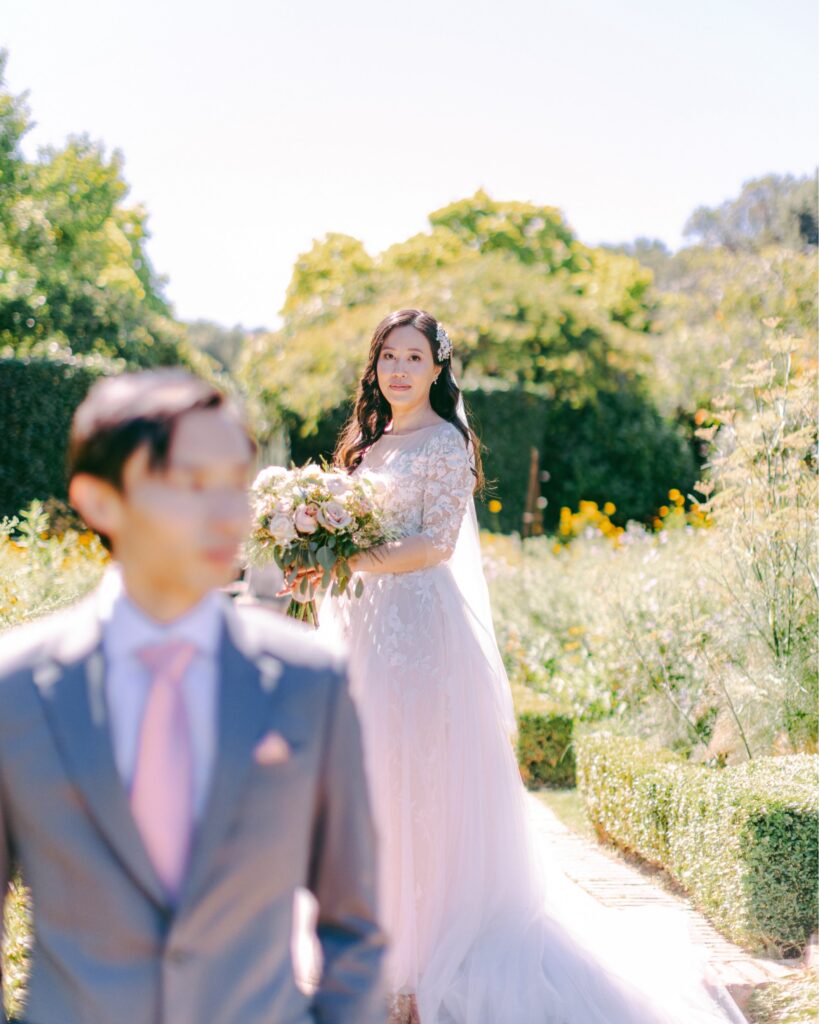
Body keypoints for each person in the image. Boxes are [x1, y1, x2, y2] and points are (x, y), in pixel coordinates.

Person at [308, 308, 746, 1024]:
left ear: (437, 368)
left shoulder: (446, 443)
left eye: (413, 358)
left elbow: (437, 543)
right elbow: (348, 530)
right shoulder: (367, 445)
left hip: (419, 635)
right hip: (363, 630)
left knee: (420, 788)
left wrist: (350, 558)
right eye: (388, 356)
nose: (398, 370)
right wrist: (314, 560)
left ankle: (420, 968)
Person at [0, 370, 387, 1024]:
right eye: (191, 483)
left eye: (236, 483)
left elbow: (354, 926)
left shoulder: (310, 681)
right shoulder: (16, 688)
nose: (229, 513)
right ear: (99, 501)